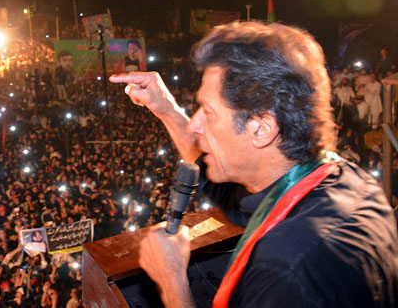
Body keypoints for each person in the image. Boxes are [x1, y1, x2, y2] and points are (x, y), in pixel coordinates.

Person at [110, 21, 398, 308]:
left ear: (261, 128)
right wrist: (166, 108)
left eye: (208, 113)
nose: (195, 124)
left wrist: (172, 281)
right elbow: (210, 165)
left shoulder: (285, 271)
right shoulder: (345, 181)